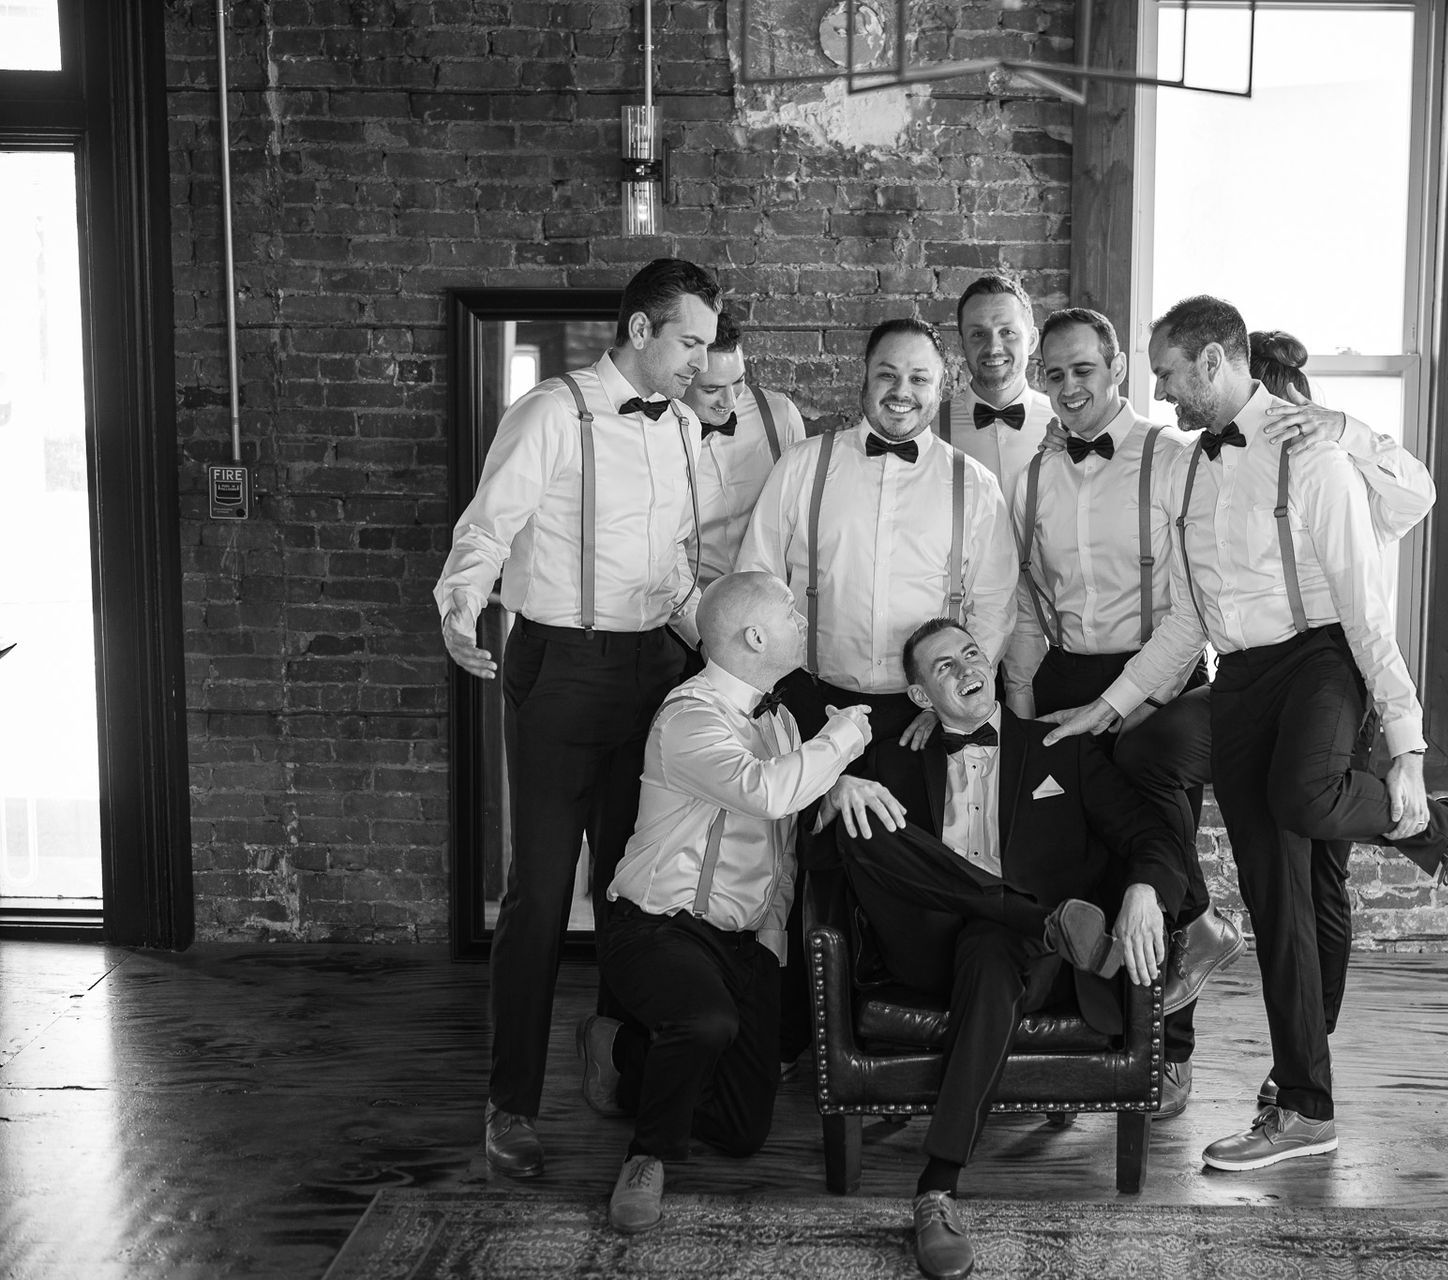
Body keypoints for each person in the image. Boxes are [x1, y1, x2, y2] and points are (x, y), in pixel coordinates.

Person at [1043, 295, 1448, 1173]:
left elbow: (1370, 610)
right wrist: (1111, 705)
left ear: (1217, 364)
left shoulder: (1316, 455)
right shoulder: (1188, 472)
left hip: (1322, 660)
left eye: (1169, 373)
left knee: (1307, 793)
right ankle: (1305, 1109)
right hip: (1242, 679)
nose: (1161, 391)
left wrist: (1408, 746)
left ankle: (1446, 828)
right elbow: (1189, 621)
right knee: (1276, 901)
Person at [821, 618, 1224, 1280]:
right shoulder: (890, 759)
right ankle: (1041, 919)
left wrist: (1147, 892)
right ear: (922, 697)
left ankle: (938, 1186)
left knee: (993, 940)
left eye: (971, 654)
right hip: (924, 948)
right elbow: (823, 851)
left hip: (1021, 965)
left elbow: (1153, 835)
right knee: (859, 822)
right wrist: (837, 784)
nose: (964, 668)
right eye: (942, 667)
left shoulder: (1058, 748)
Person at [433, 257, 719, 1178]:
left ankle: (624, 1061)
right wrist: (458, 607)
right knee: (542, 893)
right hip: (560, 667)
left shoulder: (682, 428)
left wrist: (717, 637)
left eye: (709, 347)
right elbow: (487, 526)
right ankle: (509, 1101)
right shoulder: (552, 412)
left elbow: (677, 558)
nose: (701, 365)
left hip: (656, 668)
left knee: (638, 891)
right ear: (641, 330)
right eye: (691, 343)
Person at [578, 571, 874, 1232]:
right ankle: (645, 1159)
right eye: (792, 613)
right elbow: (764, 791)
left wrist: (773, 932)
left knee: (743, 1129)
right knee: (706, 1023)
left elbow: (785, 835)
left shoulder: (783, 720)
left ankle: (623, 1054)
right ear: (755, 634)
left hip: (744, 940)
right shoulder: (689, 715)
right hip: (659, 927)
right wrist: (846, 739)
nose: (803, 621)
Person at [1001, 306, 1241, 1120]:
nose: (1068, 387)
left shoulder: (1175, 461)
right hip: (1066, 674)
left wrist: (1118, 704)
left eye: (1084, 371)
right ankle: (1086, 1049)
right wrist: (1026, 707)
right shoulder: (1030, 475)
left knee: (1157, 863)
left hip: (1158, 675)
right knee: (1077, 864)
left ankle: (1168, 1056)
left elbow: (1193, 611)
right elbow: (1029, 603)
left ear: (1117, 372)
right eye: (1054, 373)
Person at [736, 317, 1019, 744]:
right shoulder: (801, 466)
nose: (902, 391)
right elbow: (756, 582)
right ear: (864, 378)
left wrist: (947, 699)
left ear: (939, 390)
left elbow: (994, 606)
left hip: (925, 716)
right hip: (811, 704)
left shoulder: (975, 485)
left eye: (919, 379)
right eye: (888, 374)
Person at [684, 312, 809, 591]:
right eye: (712, 388)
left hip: (770, 598)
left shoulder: (779, 415)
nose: (729, 401)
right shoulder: (657, 432)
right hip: (688, 605)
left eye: (738, 381)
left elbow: (803, 515)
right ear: (683, 377)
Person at [935, 273, 1052, 500]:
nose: (993, 347)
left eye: (1007, 332)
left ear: (1031, 340)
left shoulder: (1065, 426)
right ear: (962, 345)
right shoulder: (931, 430)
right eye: (978, 334)